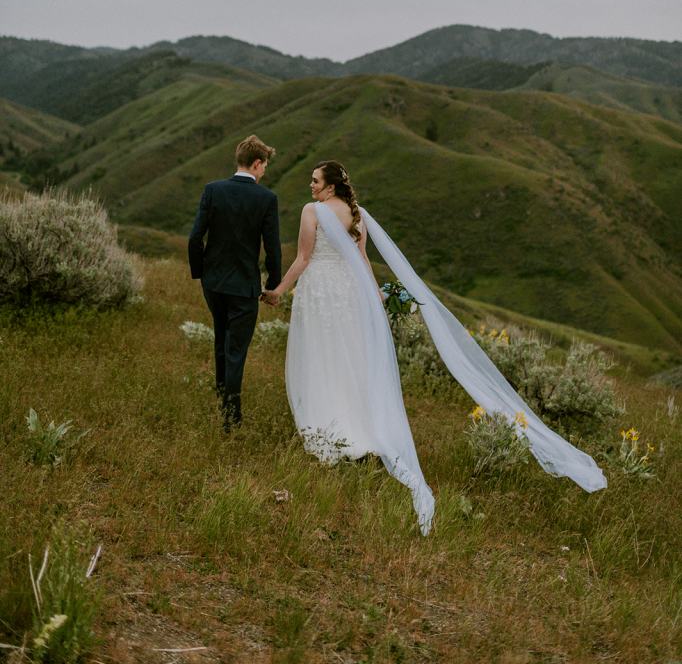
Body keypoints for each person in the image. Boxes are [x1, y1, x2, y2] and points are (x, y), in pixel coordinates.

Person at [262, 160, 606, 535]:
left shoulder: (311, 211)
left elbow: (304, 258)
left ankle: (329, 429)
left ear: (330, 186)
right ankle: (359, 430)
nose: (310, 185)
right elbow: (362, 261)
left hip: (320, 293)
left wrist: (278, 291)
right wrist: (375, 296)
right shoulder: (358, 214)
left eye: (315, 180)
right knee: (350, 360)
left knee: (324, 358)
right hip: (349, 295)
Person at [188, 135, 281, 431]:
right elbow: (272, 248)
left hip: (213, 282)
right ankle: (231, 416)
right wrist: (273, 284)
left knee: (221, 339)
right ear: (257, 163)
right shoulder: (266, 199)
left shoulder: (212, 190)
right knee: (236, 349)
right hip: (244, 286)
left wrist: (200, 273)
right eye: (264, 166)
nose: (264, 171)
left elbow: (195, 238)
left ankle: (222, 398)